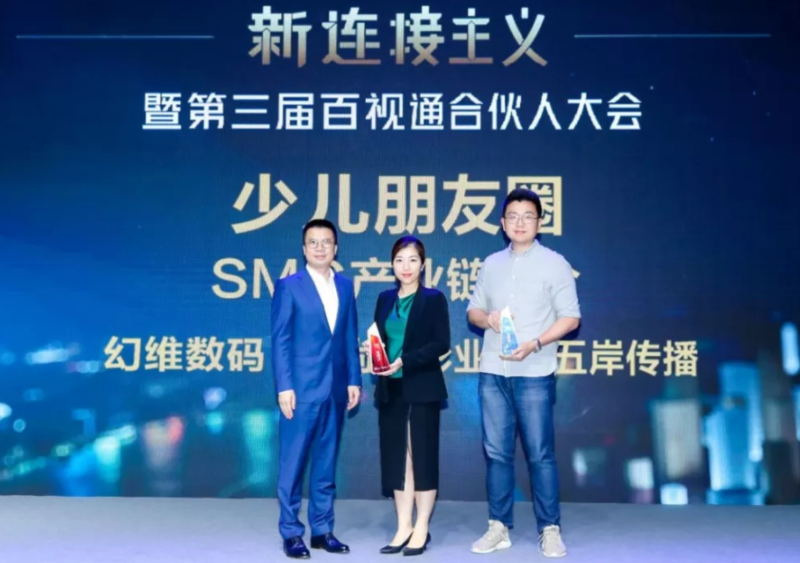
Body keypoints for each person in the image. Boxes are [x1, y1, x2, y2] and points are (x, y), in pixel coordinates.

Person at [467, 189, 581, 559]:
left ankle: (550, 528)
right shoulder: (491, 264)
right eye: (513, 216)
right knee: (497, 453)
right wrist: (488, 318)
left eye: (527, 216)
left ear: (539, 222)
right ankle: (498, 526)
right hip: (492, 370)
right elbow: (473, 312)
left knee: (540, 454)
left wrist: (535, 342)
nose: (520, 222)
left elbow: (571, 318)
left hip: (534, 371)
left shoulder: (555, 264)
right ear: (502, 223)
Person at [271, 219, 362, 559]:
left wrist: (354, 379)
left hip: (335, 388)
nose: (320, 247)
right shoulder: (288, 286)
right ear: (304, 248)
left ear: (336, 248)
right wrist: (284, 386)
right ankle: (291, 532)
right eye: (313, 242)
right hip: (300, 390)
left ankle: (322, 530)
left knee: (326, 464)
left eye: (326, 242)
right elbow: (280, 340)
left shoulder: (345, 286)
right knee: (293, 465)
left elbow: (349, 335)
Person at [372, 236, 450, 557]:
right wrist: (376, 356)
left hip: (422, 387)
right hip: (390, 388)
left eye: (413, 260)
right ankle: (403, 525)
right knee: (397, 458)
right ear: (392, 264)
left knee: (422, 456)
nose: (406, 267)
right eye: (400, 260)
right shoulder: (384, 299)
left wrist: (405, 360)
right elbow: (379, 338)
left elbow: (441, 343)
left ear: (423, 264)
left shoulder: (433, 299)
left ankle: (422, 526)